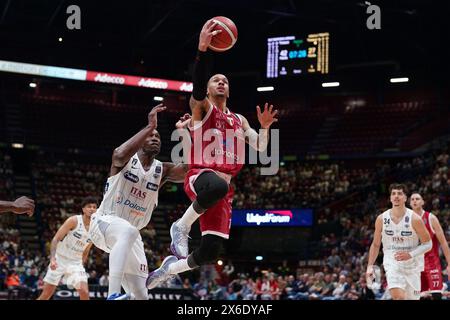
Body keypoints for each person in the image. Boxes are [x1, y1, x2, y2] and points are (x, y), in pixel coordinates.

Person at [146, 19, 279, 289]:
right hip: (200, 176)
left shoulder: (239, 120)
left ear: (229, 89)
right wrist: (203, 51)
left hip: (222, 189)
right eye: (216, 79)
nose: (221, 82)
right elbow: (195, 88)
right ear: (207, 89)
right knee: (216, 184)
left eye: (225, 80)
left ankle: (171, 270)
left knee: (210, 252)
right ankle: (180, 227)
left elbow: (262, 148)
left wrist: (264, 128)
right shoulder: (203, 109)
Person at [88, 104, 187, 300]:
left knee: (142, 295)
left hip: (131, 237)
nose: (154, 138)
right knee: (128, 230)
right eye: (150, 136)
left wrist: (185, 134)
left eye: (157, 137)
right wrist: (149, 127)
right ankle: (113, 294)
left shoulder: (162, 170)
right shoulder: (126, 160)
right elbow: (117, 154)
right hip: (104, 223)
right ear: (141, 141)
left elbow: (189, 169)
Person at [366, 184, 432, 300]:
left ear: (405, 198)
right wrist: (370, 266)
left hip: (413, 266)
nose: (396, 196)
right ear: (390, 198)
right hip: (392, 263)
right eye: (393, 194)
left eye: (400, 193)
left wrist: (410, 254)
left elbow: (428, 244)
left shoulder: (415, 219)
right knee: (398, 297)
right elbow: (376, 244)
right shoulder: (381, 219)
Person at [37, 196, 97, 300]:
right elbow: (55, 239)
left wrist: (81, 265)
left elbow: (87, 250)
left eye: (94, 207)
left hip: (75, 263)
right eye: (89, 206)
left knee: (84, 292)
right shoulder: (74, 220)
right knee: (46, 295)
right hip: (59, 259)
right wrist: (52, 259)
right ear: (83, 209)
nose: (92, 209)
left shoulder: (95, 228)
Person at [410, 192, 450, 300]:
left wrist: (449, 264)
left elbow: (444, 243)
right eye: (412, 199)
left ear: (422, 202)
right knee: (419, 297)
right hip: (415, 266)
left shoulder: (431, 218)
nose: (414, 201)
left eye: (417, 199)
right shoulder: (406, 222)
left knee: (436, 295)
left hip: (432, 263)